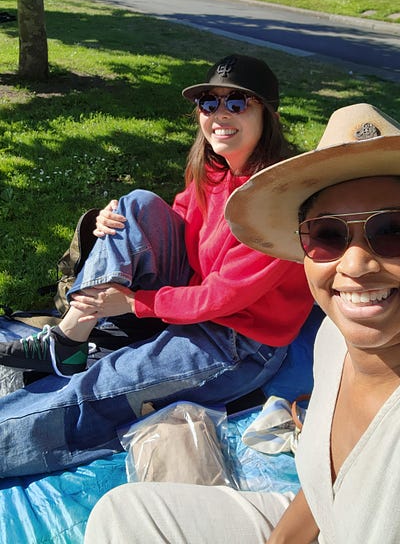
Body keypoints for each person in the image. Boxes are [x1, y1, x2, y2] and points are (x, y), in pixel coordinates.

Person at [84, 103, 400, 544]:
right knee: (122, 512)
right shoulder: (333, 340)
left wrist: (140, 303)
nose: (357, 263)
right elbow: (326, 488)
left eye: (393, 231)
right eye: (327, 235)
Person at [0, 54, 314, 477]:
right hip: (194, 298)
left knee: (100, 388)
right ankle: (70, 336)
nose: (220, 114)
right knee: (137, 204)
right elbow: (178, 219)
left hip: (237, 341)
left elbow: (221, 298)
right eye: (209, 103)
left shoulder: (276, 202)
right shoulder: (217, 170)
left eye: (237, 103)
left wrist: (134, 303)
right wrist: (118, 224)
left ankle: (43, 387)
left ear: (268, 115)